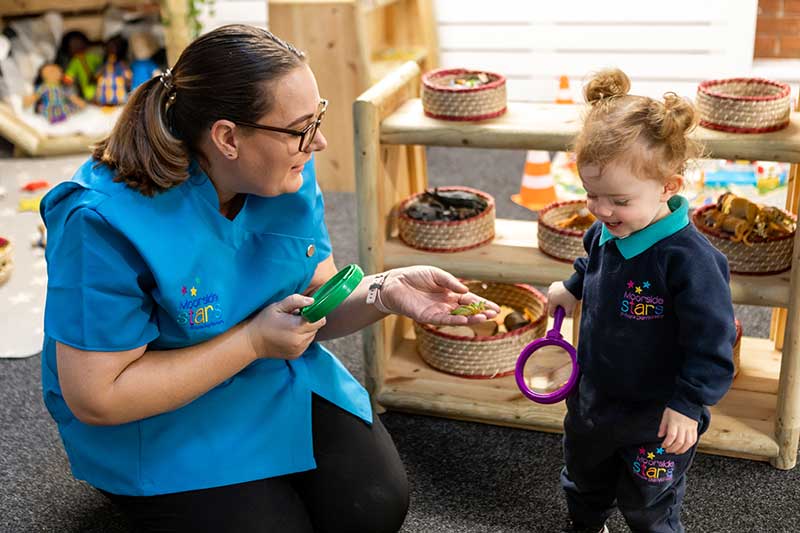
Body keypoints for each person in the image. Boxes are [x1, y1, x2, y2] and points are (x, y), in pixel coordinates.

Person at [40, 24, 499, 533]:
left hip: (266, 373)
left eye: (317, 117)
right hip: (150, 413)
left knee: (373, 508)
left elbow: (313, 302)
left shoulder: (284, 168)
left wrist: (383, 291)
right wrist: (253, 342)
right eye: (303, 127)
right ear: (228, 137)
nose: (319, 141)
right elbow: (98, 397)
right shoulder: (99, 220)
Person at [546, 68, 737, 533]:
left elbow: (713, 343)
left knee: (648, 501)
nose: (602, 210)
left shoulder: (691, 260)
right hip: (594, 396)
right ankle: (587, 522)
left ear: (669, 187)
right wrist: (571, 288)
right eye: (591, 195)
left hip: (657, 415)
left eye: (618, 200)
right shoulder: (606, 230)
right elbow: (592, 258)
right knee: (585, 480)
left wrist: (688, 404)